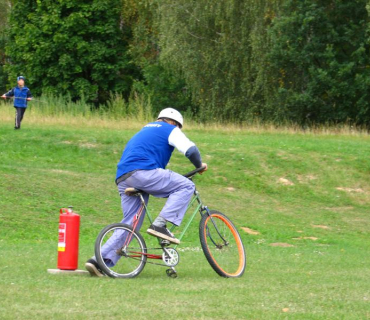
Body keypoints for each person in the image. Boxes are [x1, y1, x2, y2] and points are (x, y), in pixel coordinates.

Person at [85, 108, 208, 276]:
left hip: (123, 177)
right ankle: (161, 224)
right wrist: (199, 165)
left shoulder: (145, 129)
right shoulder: (170, 129)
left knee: (131, 222)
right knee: (186, 186)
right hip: (143, 172)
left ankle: (98, 262)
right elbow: (191, 150)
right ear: (175, 123)